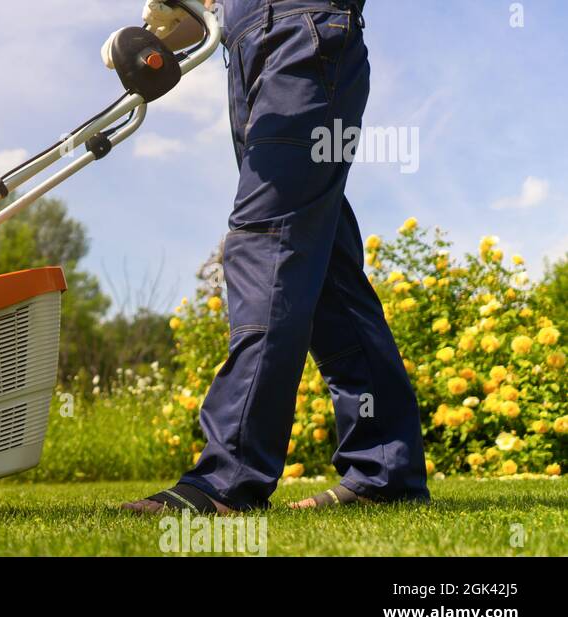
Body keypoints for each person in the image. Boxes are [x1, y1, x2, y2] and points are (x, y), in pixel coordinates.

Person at [115, 0, 430, 513]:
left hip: (302, 36)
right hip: (245, 49)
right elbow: (204, 16)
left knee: (267, 242)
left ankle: (229, 477)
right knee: (329, 274)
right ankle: (384, 470)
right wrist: (162, 31)